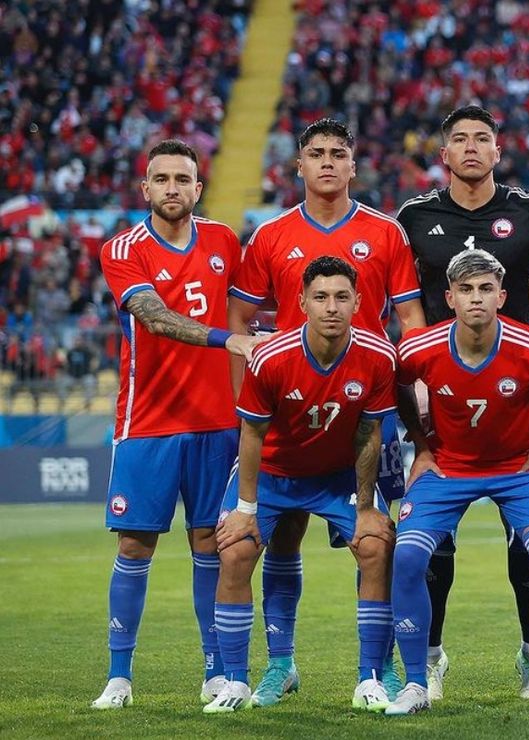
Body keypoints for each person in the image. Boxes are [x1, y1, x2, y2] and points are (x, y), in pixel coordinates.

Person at [227, 118, 424, 706]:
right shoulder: (270, 236)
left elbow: (411, 326)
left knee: (381, 538)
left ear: (354, 165)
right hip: (289, 415)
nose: (329, 164)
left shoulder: (385, 233)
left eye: (340, 154)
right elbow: (240, 325)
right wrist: (252, 403)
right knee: (279, 539)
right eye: (317, 154)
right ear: (300, 166)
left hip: (368, 418)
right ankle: (279, 665)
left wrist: (414, 415)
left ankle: (383, 669)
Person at [91, 139, 265, 710]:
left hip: (219, 422)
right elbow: (155, 317)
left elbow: (249, 309)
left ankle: (215, 671)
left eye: (182, 179)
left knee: (209, 545)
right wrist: (227, 338)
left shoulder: (222, 241)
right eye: (160, 178)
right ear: (145, 188)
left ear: (197, 187)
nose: (171, 188)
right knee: (137, 545)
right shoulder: (123, 248)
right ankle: (120, 675)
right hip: (148, 422)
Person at [395, 104, 529, 700]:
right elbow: (403, 295)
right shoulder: (413, 218)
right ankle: (430, 659)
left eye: (481, 139)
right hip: (438, 392)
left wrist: (521, 325)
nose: (470, 148)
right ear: (443, 154)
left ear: (498, 150)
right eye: (459, 139)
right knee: (432, 544)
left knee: (528, 547)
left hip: (513, 389)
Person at [203, 256, 398, 713]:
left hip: (336, 476)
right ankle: (236, 680)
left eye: (341, 297)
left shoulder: (378, 355)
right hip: (273, 473)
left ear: (358, 302)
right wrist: (246, 509)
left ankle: (371, 674)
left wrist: (366, 506)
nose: (332, 307)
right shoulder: (270, 357)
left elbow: (369, 433)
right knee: (234, 549)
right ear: (301, 302)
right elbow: (251, 434)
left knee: (375, 545)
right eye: (321, 297)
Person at [386, 249, 529, 715]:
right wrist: (421, 446)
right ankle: (415, 682)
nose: (476, 299)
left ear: (502, 296)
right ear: (449, 298)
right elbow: (396, 384)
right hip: (447, 467)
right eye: (466, 290)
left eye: (486, 289)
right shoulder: (418, 348)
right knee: (407, 556)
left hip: (518, 468)